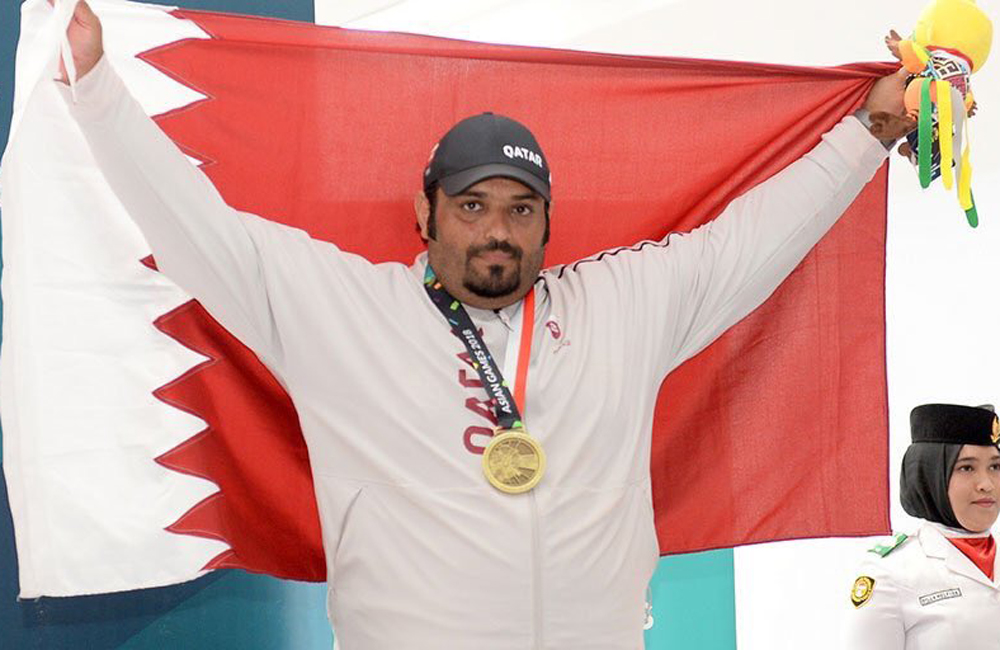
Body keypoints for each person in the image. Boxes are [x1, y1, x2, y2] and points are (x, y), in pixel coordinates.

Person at [51, 2, 913, 648]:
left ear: (547, 223)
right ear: (423, 216)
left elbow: (752, 242)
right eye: (471, 204)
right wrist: (96, 92)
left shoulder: (624, 306)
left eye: (520, 208)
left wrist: (872, 128)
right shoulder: (340, 309)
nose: (497, 229)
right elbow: (201, 231)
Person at [846, 403, 1000, 649]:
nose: (987, 484)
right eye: (966, 467)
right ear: (929, 475)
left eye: (995, 466)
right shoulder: (890, 573)